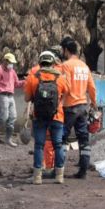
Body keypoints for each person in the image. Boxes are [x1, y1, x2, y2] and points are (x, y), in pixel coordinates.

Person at [24, 50, 69, 185]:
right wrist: (59, 104)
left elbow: (27, 98)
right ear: (53, 63)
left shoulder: (33, 78)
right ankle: (59, 176)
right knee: (58, 145)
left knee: (39, 145)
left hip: (39, 116)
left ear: (40, 62)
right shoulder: (60, 78)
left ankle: (37, 177)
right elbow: (66, 94)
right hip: (57, 115)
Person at [60, 36, 97, 179]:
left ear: (66, 50)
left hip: (70, 106)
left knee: (62, 138)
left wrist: (60, 101)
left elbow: (66, 87)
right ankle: (83, 170)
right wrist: (93, 102)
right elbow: (92, 87)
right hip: (83, 106)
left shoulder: (66, 65)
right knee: (83, 139)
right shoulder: (84, 66)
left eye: (63, 50)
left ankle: (59, 169)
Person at [0, 52, 25, 146]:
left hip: (11, 96)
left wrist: (26, 81)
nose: (11, 64)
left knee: (12, 117)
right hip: (2, 95)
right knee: (4, 116)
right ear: (5, 61)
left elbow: (16, 83)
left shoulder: (12, 71)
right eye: (10, 62)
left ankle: (8, 139)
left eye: (12, 63)